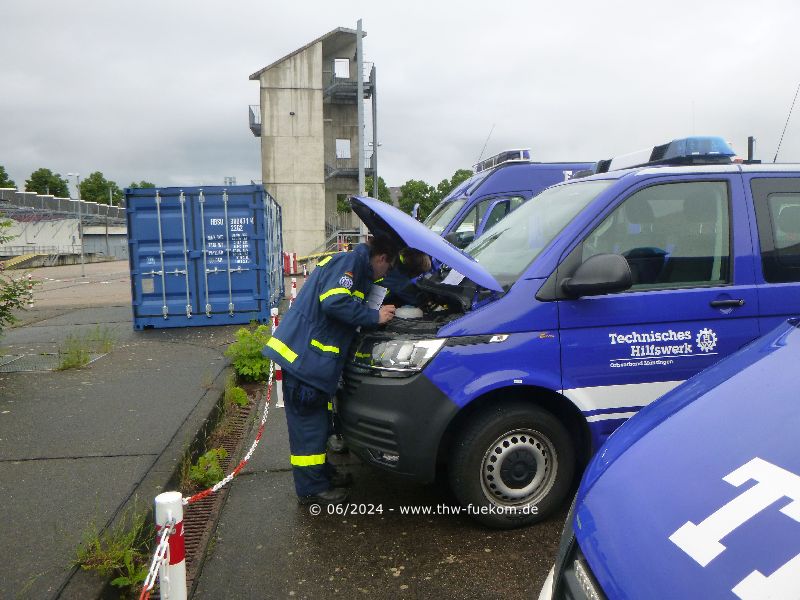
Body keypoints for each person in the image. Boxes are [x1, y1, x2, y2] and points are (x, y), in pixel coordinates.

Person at [263, 235, 397, 505]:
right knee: (309, 428)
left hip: (312, 363)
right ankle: (312, 489)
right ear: (382, 258)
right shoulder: (350, 263)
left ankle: (321, 475)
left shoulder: (354, 266)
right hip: (306, 363)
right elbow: (334, 303)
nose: (386, 274)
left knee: (319, 424)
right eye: (389, 267)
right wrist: (375, 316)